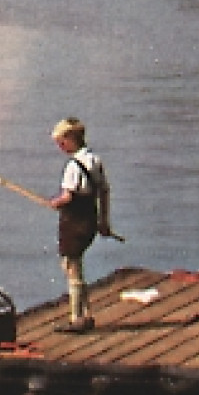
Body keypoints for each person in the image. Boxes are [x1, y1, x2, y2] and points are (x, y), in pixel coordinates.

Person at [47, 117, 112, 333]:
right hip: (90, 217)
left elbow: (68, 196)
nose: (60, 147)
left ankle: (77, 318)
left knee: (71, 266)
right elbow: (103, 191)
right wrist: (104, 221)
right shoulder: (94, 160)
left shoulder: (73, 166)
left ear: (71, 138)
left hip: (73, 219)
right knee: (74, 265)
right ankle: (86, 314)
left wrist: (55, 202)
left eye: (61, 142)